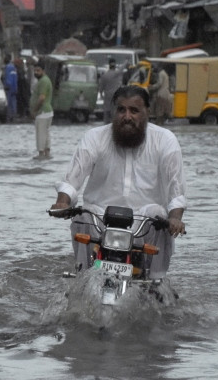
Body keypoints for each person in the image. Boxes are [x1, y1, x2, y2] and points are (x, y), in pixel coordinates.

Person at [50, 85, 186, 278]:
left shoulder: (165, 140)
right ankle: (83, 278)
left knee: (159, 216)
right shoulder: (94, 137)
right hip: (100, 220)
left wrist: (175, 219)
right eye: (121, 110)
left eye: (134, 111)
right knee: (81, 216)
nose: (127, 117)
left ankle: (155, 282)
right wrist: (62, 203)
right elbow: (72, 179)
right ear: (114, 111)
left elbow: (176, 191)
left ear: (147, 112)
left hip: (144, 223)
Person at [30, 59, 54, 159]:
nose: (36, 72)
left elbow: (42, 98)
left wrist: (35, 110)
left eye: (38, 70)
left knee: (41, 134)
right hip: (47, 112)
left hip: (42, 112)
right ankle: (47, 153)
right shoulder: (45, 80)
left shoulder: (43, 81)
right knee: (46, 133)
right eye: (35, 70)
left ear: (43, 70)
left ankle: (41, 154)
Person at [97, 58, 123, 122]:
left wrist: (101, 95)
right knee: (115, 112)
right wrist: (126, 61)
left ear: (109, 65)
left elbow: (101, 87)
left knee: (107, 112)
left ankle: (106, 124)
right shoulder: (117, 74)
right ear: (115, 65)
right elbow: (122, 68)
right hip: (116, 96)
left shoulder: (105, 75)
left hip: (107, 96)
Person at [3, 53, 18, 122]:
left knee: (9, 103)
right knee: (13, 102)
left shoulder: (8, 67)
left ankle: (10, 117)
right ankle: (13, 116)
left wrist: (6, 86)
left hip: (9, 88)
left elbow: (8, 78)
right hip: (14, 87)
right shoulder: (13, 67)